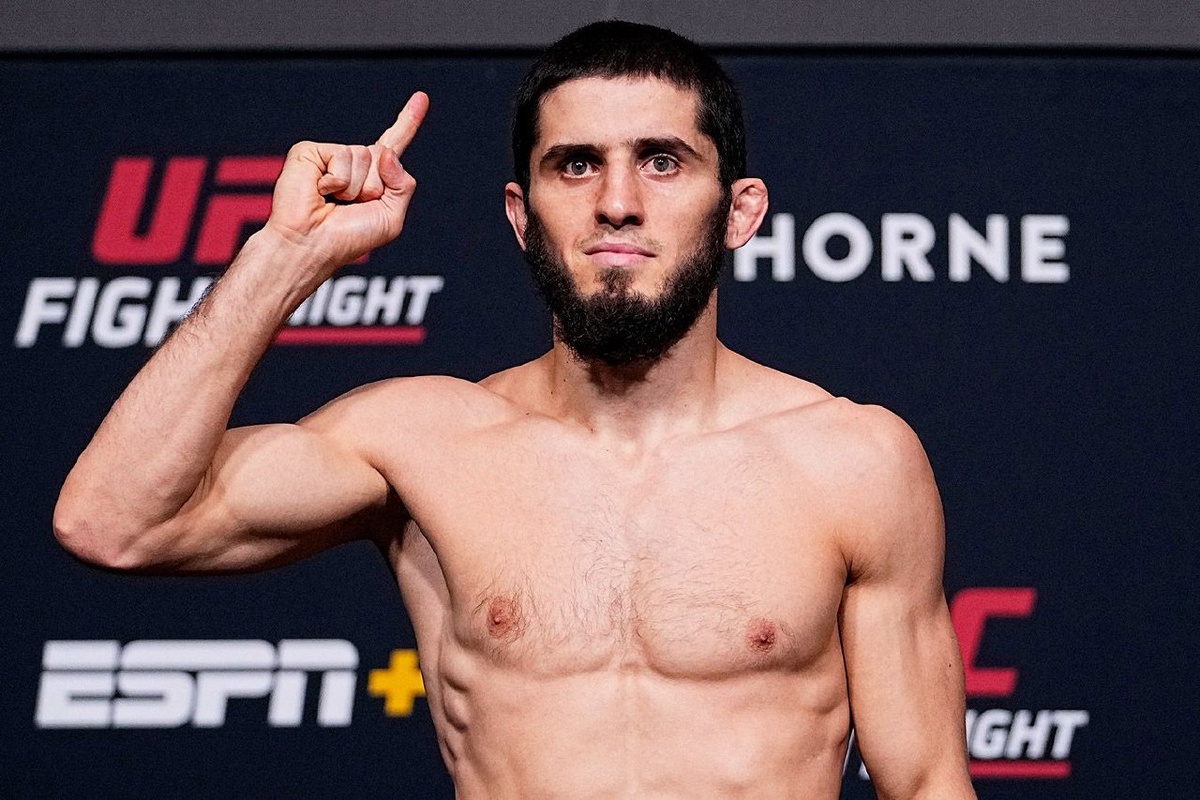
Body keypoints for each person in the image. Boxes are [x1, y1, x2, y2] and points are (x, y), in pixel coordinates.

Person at [54, 20, 976, 799]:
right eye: (576, 166)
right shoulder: (422, 442)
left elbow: (928, 783)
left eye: (662, 162)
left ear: (739, 212)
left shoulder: (851, 461)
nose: (617, 203)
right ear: (521, 214)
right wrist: (284, 256)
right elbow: (115, 522)